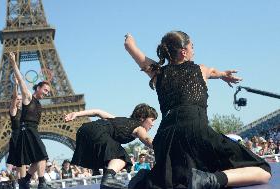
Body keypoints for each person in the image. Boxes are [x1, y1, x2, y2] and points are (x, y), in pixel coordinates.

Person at [124, 31, 271, 189]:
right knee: (263, 171)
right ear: (184, 52)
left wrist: (129, 40)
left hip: (165, 138)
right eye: (192, 47)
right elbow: (212, 71)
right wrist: (223, 75)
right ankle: (210, 180)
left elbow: (132, 49)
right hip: (195, 130)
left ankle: (146, 180)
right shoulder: (200, 69)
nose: (194, 50)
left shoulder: (157, 72)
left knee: (177, 180)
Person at [65, 103, 158, 188]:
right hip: (98, 132)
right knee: (122, 157)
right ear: (142, 118)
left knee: (110, 159)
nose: (153, 124)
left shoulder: (117, 120)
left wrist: (76, 114)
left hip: (85, 131)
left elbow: (97, 112)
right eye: (152, 120)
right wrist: (162, 146)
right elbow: (147, 139)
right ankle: (108, 179)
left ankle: (106, 183)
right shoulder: (139, 127)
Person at [9, 52, 53, 189]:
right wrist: (13, 63)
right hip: (26, 129)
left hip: (32, 129)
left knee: (38, 158)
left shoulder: (39, 103)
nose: (46, 93)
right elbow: (21, 80)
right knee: (43, 155)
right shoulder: (28, 96)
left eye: (48, 92)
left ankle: (25, 180)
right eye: (45, 90)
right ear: (38, 88)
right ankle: (41, 183)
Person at [6, 77, 27, 180]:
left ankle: (20, 182)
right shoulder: (13, 110)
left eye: (20, 99)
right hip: (16, 136)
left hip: (22, 135)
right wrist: (16, 85)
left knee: (20, 165)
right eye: (18, 99)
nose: (19, 100)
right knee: (21, 162)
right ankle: (23, 182)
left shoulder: (22, 111)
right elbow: (14, 97)